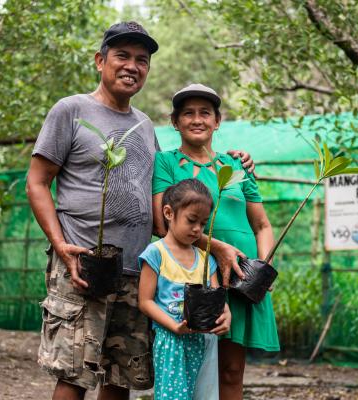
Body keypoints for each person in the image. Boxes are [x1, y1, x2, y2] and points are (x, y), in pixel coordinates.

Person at [27, 21, 254, 400]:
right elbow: (37, 182)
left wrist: (236, 159)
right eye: (122, 56)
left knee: (121, 378)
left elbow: (166, 208)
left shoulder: (144, 126)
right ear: (100, 61)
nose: (132, 65)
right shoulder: (71, 110)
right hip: (83, 263)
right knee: (73, 374)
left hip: (138, 270)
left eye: (142, 59)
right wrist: (60, 244)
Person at [152, 84, 280, 400]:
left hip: (241, 278)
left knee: (231, 372)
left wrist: (263, 266)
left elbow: (262, 225)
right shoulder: (166, 163)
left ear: (217, 121)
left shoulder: (236, 166)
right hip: (192, 275)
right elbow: (160, 222)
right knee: (190, 369)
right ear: (175, 121)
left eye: (205, 113)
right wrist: (218, 249)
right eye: (188, 113)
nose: (197, 120)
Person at [138, 179, 231, 399]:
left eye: (203, 223)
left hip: (203, 340)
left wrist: (226, 314)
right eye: (191, 220)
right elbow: (145, 301)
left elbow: (217, 299)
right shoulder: (155, 253)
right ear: (169, 213)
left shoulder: (206, 259)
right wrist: (174, 326)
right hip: (171, 342)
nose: (198, 229)